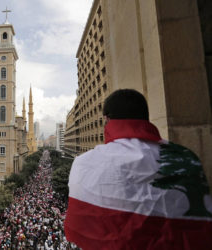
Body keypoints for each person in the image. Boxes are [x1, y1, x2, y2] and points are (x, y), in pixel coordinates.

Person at [64, 89, 212, 250]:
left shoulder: (86, 163)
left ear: (107, 119)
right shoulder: (186, 157)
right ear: (145, 117)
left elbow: (81, 227)